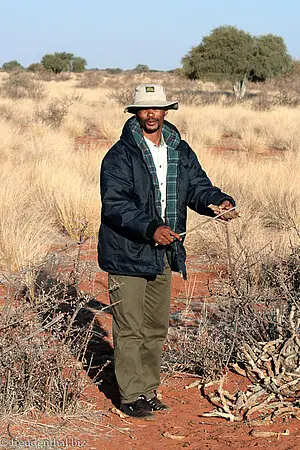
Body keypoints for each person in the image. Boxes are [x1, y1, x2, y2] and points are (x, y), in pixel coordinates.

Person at [98, 84, 236, 419]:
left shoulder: (179, 150)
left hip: (164, 253)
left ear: (165, 112)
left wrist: (217, 201)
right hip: (127, 253)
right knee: (129, 327)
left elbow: (197, 187)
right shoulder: (119, 155)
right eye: (144, 109)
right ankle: (130, 395)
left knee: (156, 326)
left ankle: (147, 389)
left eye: (156, 108)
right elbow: (115, 206)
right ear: (135, 112)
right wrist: (150, 228)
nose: (151, 114)